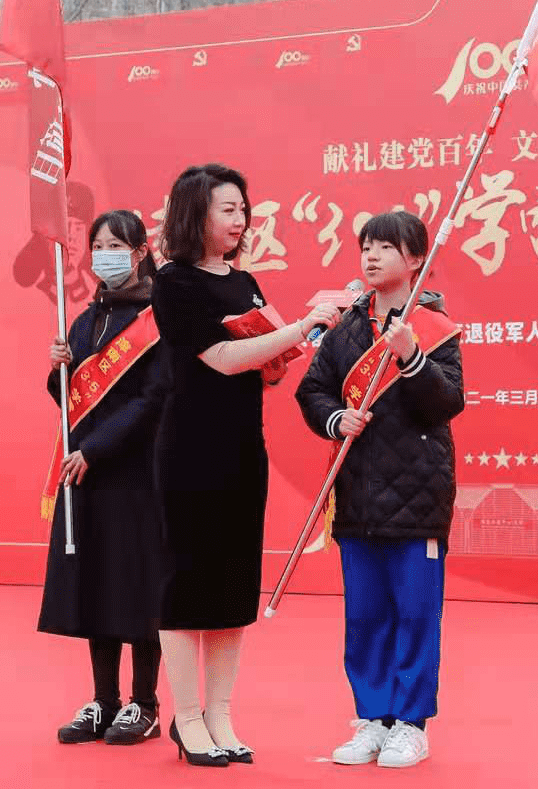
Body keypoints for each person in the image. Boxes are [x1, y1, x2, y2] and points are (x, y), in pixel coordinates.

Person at [150, 163, 340, 767]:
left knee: (233, 587)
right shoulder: (174, 282)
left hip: (241, 452)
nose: (238, 219)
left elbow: (267, 361)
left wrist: (293, 342)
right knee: (188, 585)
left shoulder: (246, 281)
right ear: (194, 213)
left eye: (241, 208)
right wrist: (295, 329)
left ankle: (220, 713)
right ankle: (185, 717)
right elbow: (225, 356)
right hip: (189, 453)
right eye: (226, 209)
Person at [294, 211, 465, 770]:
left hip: (418, 498)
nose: (371, 257)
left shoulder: (436, 328)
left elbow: (446, 404)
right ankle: (373, 717)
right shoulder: (345, 327)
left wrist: (411, 356)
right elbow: (312, 390)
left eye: (386, 248)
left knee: (415, 612)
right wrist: (334, 419)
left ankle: (410, 724)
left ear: (415, 259)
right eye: (366, 247)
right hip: (359, 496)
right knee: (366, 614)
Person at [39, 209, 168, 747]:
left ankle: (144, 702)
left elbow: (151, 398)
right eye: (96, 246)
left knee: (138, 586)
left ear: (140, 251)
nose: (104, 255)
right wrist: (58, 370)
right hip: (87, 473)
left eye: (115, 244)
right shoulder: (86, 319)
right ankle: (104, 699)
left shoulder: (159, 317)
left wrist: (97, 447)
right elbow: (72, 402)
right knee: (95, 582)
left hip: (137, 471)